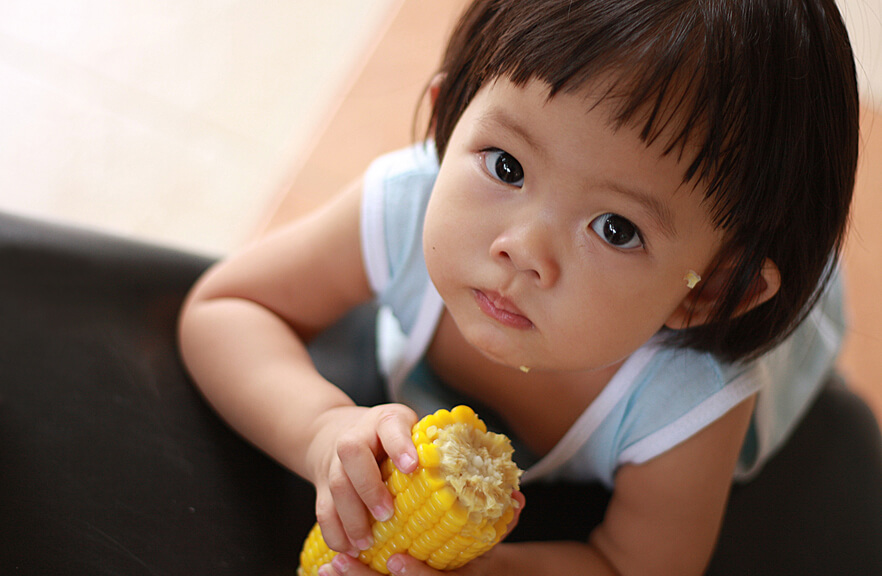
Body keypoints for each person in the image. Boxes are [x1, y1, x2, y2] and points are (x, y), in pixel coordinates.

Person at [177, 0, 859, 574]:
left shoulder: (688, 400)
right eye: (505, 165)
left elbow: (635, 565)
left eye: (615, 228)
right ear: (450, 118)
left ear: (704, 291)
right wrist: (321, 428)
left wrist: (490, 570)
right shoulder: (406, 205)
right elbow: (228, 307)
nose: (524, 248)